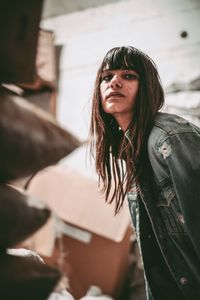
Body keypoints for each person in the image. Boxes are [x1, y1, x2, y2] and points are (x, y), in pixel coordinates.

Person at [89, 46, 200, 300]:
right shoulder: (132, 151)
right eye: (107, 77)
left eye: (128, 75)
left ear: (147, 87)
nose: (114, 81)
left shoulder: (170, 139)